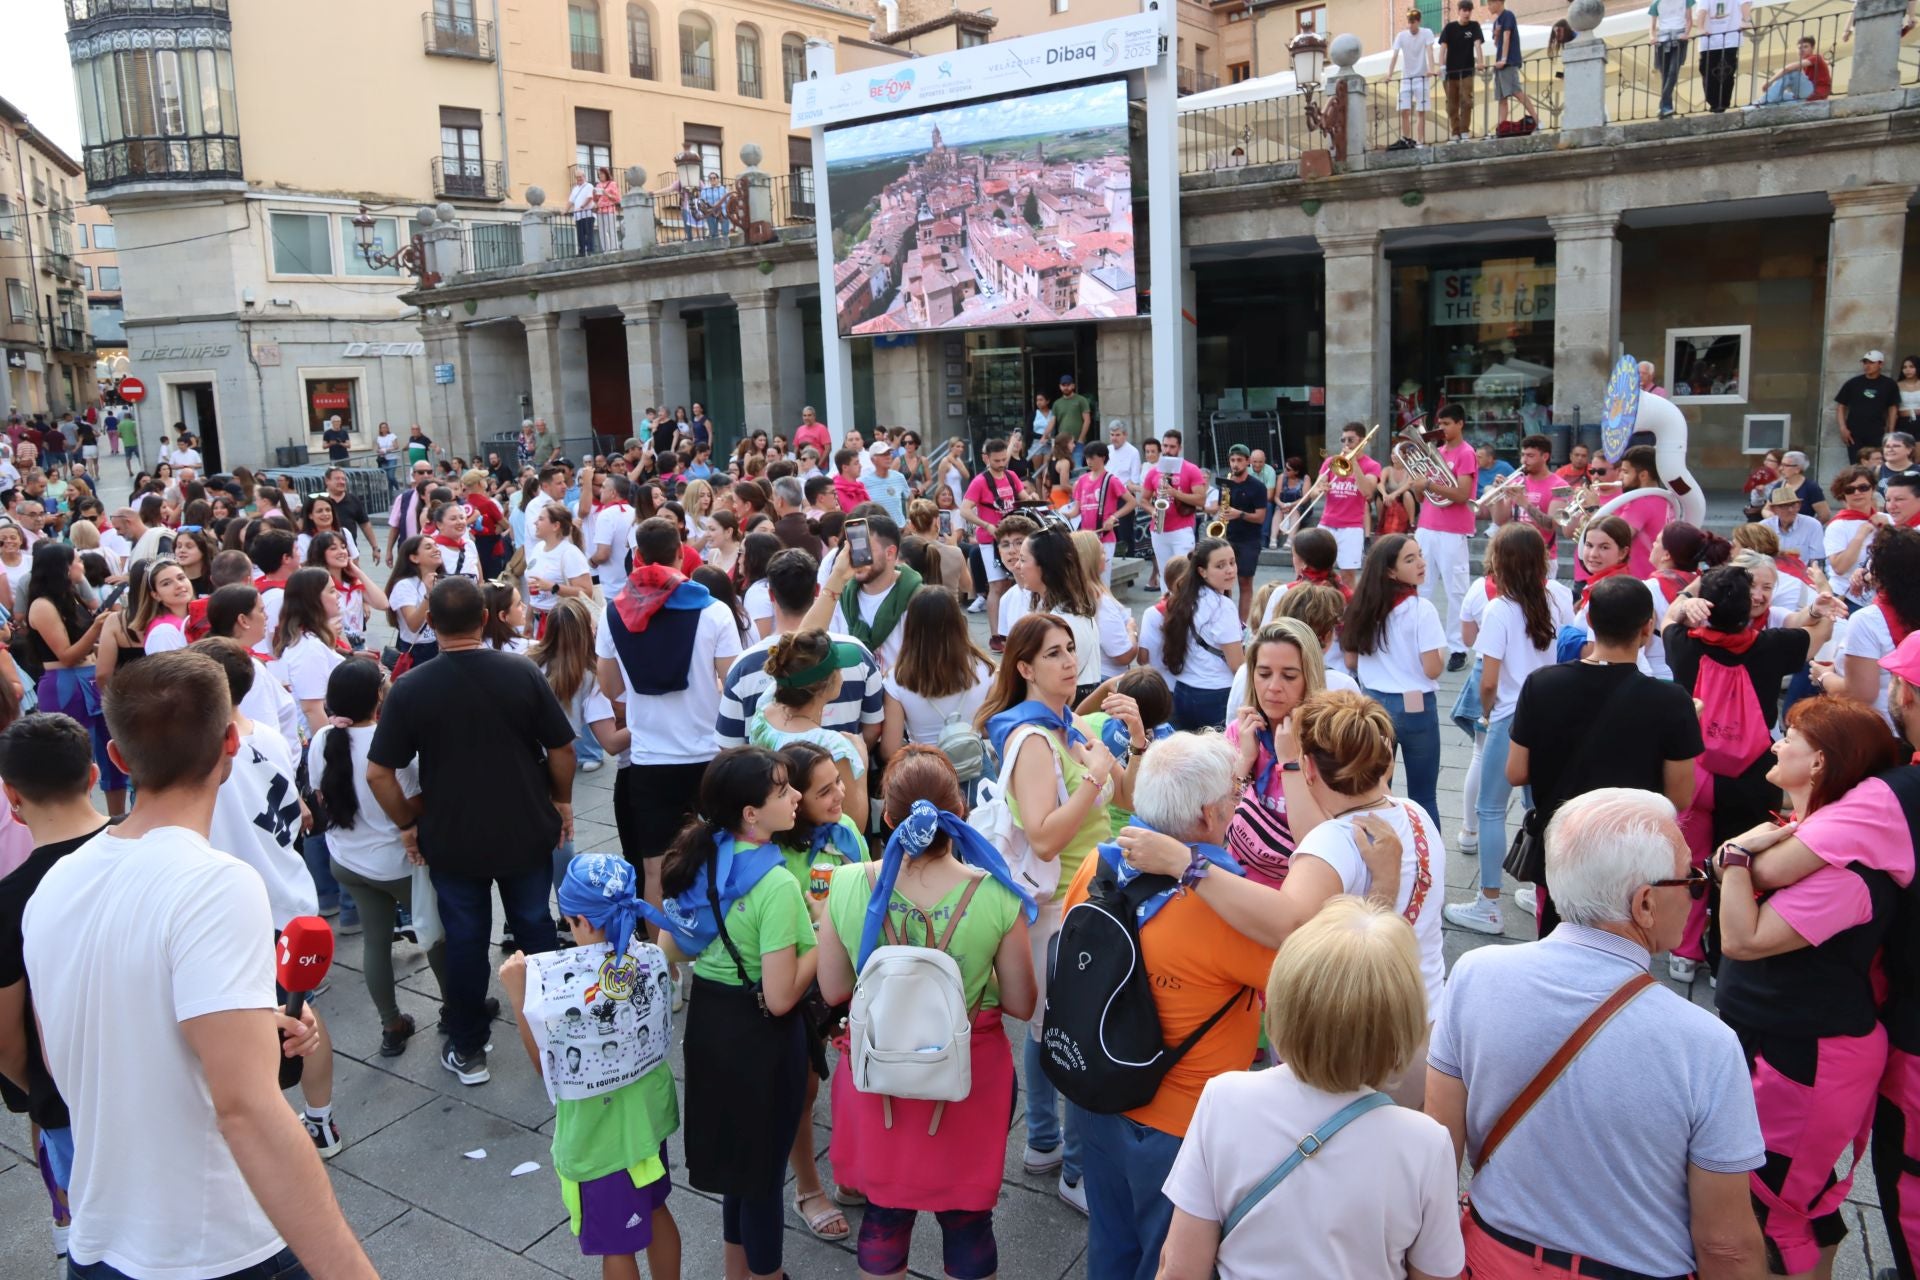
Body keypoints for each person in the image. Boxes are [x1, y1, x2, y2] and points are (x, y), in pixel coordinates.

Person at [22, 651, 376, 1280]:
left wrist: (245, 1029)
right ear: (231, 742)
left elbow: (64, 1055)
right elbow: (247, 1110)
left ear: (118, 758)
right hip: (217, 1245)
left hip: (100, 1240)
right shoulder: (216, 884)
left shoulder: (54, 885)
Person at [1426, 787, 1767, 1279]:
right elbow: (1726, 1246)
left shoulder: (1475, 975)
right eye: (1691, 879)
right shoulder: (1706, 1044)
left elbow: (1439, 1151)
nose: (1697, 892)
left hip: (1489, 1258)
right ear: (1645, 903)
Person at [813, 750, 1037, 1277]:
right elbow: (1022, 1003)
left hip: (880, 1073)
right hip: (969, 1074)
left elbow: (834, 988)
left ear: (889, 817)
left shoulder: (847, 883)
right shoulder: (996, 894)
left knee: (884, 1216)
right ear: (958, 812)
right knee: (969, 1221)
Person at [1158, 897, 1464, 1280]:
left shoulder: (1224, 1099)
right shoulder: (1426, 1145)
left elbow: (1179, 1268)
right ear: (1402, 1033)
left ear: (1282, 1005)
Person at [367, 576, 577, 1086]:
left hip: (452, 834)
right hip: (525, 825)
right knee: (535, 926)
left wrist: (407, 823)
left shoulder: (410, 687)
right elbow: (562, 748)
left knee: (464, 939)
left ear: (430, 622)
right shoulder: (521, 672)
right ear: (484, 618)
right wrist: (562, 799)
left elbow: (378, 773)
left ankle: (468, 1046)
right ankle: (553, 1039)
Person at [976, 613, 1133, 1211]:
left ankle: (1042, 1141)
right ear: (1024, 667)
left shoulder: (1071, 723)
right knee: (1072, 1037)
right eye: (1053, 654)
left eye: (1071, 649)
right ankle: (1074, 1169)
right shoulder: (1034, 740)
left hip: (1089, 905)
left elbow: (1130, 796)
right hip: (1060, 915)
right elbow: (1043, 839)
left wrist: (1134, 739)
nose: (1070, 661)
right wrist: (1093, 779)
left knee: (1051, 1029)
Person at [640, 747, 813, 1280]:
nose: (796, 796)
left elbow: (671, 948)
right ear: (751, 814)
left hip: (711, 1025)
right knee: (763, 1175)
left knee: (740, 1168)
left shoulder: (704, 855)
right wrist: (824, 937)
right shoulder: (776, 883)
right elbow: (781, 996)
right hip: (762, 1035)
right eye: (783, 790)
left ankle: (735, 1272)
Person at [499, 853, 683, 1280]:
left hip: (601, 1140)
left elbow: (548, 1069)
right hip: (647, 1124)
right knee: (656, 1210)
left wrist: (519, 996)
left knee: (616, 1246)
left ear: (580, 920)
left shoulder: (565, 991)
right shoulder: (652, 957)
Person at [193, 637, 342, 1159]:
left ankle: (265, 1130)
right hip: (289, 894)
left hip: (241, 909)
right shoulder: (270, 737)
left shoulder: (203, 757)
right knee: (303, 1016)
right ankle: (322, 1122)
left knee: (256, 1026)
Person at [0, 713, 106, 1266]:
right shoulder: (151, 847)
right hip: (166, 1081)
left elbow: (7, 1044)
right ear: (93, 775)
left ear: (11, 798)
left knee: (100, 1237)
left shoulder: (8, 901)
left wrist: (44, 1085)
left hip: (68, 1104)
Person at [597, 517, 742, 909]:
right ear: (681, 554)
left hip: (649, 758)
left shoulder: (613, 613)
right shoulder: (714, 611)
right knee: (719, 860)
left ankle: (663, 948)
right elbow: (732, 683)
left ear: (637, 558)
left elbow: (610, 688)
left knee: (655, 870)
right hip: (709, 755)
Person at [309, 660, 447, 1060]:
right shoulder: (390, 742)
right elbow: (414, 801)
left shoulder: (322, 738)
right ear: (378, 697)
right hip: (397, 862)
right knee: (435, 934)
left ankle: (391, 1025)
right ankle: (454, 1008)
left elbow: (319, 794)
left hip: (346, 860)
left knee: (375, 942)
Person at [1446, 523, 1574, 937]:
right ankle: (1543, 891)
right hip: (1552, 714)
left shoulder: (1500, 609)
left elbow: (1488, 680)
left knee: (1490, 809)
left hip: (1510, 716)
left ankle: (1488, 903)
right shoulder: (1560, 596)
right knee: (1542, 808)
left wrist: (1486, 714)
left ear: (1499, 562)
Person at [1342, 534, 1446, 823]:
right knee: (1423, 797)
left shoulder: (1362, 606)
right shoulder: (1421, 609)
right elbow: (1433, 669)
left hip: (1373, 704)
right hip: (1415, 706)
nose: (1421, 563)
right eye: (1410, 559)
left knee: (1375, 792)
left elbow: (1351, 661)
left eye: (1420, 555)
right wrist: (1440, 654)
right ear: (1390, 570)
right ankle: (1427, 852)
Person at [1218, 619, 1329, 888]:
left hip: (1297, 892)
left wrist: (1290, 762)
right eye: (1264, 673)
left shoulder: (1328, 743)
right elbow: (1213, 822)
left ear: (1310, 678)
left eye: (1289, 676)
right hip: (1237, 882)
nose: (1274, 687)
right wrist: (1245, 760)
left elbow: (1320, 844)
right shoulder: (1239, 732)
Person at [23, 542, 124, 816]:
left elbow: (85, 647)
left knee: (112, 753)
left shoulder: (71, 597)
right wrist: (97, 627)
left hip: (91, 678)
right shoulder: (42, 605)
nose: (82, 565)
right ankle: (80, 821)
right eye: (77, 560)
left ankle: (115, 818)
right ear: (64, 567)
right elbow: (66, 655)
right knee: (74, 758)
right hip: (65, 683)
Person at [746, 629, 872, 832]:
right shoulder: (834, 747)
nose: (842, 673)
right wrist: (862, 764)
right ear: (825, 684)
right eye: (838, 668)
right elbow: (853, 827)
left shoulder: (764, 708)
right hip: (817, 848)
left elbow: (793, 662)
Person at [880, 586, 994, 766]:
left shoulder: (897, 679)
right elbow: (990, 728)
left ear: (911, 627)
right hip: (976, 764)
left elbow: (890, 749)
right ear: (959, 623)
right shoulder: (986, 668)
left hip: (927, 770)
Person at [1827, 526, 1920, 729]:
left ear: (1879, 572)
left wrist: (1824, 676)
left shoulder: (1867, 620)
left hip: (1887, 731)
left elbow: (1861, 693)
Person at [1410, 404, 1478, 668]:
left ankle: (1458, 648)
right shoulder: (1435, 452)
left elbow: (1462, 494)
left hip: (1453, 530)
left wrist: (1428, 483)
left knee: (1456, 591)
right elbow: (1422, 497)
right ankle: (1419, 642)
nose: (1442, 429)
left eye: (1447, 423)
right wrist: (1418, 484)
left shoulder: (1466, 453)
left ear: (1460, 424)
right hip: (1426, 526)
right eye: (1439, 424)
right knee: (1420, 587)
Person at [1160, 537, 1245, 730]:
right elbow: (1237, 665)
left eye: (1232, 562)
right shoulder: (1223, 606)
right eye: (1220, 565)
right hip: (1216, 694)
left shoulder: (1185, 597)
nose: (1230, 570)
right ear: (1202, 571)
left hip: (1183, 690)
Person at [959, 438, 1027, 651]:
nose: (1001, 464)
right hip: (990, 540)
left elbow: (1024, 498)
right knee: (997, 585)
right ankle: (996, 636)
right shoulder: (980, 481)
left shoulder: (1011, 476)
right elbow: (964, 510)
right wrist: (986, 525)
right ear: (986, 459)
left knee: (1015, 583)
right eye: (996, 460)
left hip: (1012, 537)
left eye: (1004, 459)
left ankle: (1014, 631)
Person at [270, 568, 347, 733]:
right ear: (313, 600)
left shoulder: (307, 640)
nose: (338, 596)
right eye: (332, 591)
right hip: (310, 738)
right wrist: (325, 746)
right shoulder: (308, 647)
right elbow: (312, 709)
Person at [1143, 431, 1209, 594]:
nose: (1167, 450)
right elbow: (1143, 500)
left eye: (1172, 447)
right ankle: (1167, 605)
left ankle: (1184, 605)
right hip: (1159, 528)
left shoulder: (1191, 469)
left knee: (1184, 572)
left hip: (1182, 529)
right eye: (1165, 446)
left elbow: (1201, 500)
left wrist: (1175, 493)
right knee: (1164, 572)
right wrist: (1152, 510)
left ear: (1179, 448)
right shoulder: (1153, 471)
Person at [1218, 444, 1268, 618]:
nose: (1235, 464)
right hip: (1227, 538)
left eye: (1239, 460)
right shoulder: (1226, 484)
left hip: (1249, 540)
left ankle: (1243, 625)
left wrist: (1239, 514)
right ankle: (1226, 619)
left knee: (1245, 582)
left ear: (1248, 462)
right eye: (1232, 460)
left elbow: (1260, 517)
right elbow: (1221, 508)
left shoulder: (1258, 487)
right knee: (1224, 583)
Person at [1386, 7, 1439, 149]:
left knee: (1421, 111)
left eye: (1413, 22)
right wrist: (1389, 74)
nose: (1410, 25)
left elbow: (1430, 52)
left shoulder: (1427, 33)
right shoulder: (1401, 36)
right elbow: (1394, 55)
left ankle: (1420, 141)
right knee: (1404, 110)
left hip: (1421, 78)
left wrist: (1431, 69)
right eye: (1409, 22)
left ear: (1418, 22)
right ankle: (1407, 139)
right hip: (1406, 78)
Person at [1837, 349, 1902, 464]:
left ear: (1880, 364)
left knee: (1877, 463)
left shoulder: (1889, 384)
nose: (1867, 366)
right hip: (1854, 432)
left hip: (1877, 431)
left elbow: (1892, 408)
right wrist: (1843, 428)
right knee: (1856, 463)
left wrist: (1891, 431)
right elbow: (1841, 406)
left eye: (1871, 363)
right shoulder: (1853, 383)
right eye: (1865, 362)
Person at [1438, 0, 1485, 139]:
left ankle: (1464, 131)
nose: (1467, 13)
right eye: (1464, 10)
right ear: (1458, 11)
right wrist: (1442, 67)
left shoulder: (1474, 26)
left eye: (1469, 10)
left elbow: (1477, 45)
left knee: (1467, 101)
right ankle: (1455, 132)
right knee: (1451, 105)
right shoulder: (1449, 28)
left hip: (1467, 71)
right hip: (1450, 73)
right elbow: (1442, 49)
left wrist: (1480, 62)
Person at [1486, 0, 1536, 128]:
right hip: (1501, 64)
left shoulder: (1508, 15)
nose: (1488, 7)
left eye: (1490, 3)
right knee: (1502, 98)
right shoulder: (1496, 22)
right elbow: (1497, 44)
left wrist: (1504, 59)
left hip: (1509, 62)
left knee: (1516, 92)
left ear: (1498, 2)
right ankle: (1502, 127)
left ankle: (1537, 120)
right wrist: (1496, 35)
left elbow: (1507, 37)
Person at [1695, 0, 1748, 111]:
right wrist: (1700, 28)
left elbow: (1744, 4)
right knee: (1708, 72)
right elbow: (1701, 10)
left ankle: (1723, 103)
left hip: (1730, 39)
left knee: (1727, 72)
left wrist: (1745, 20)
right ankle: (1715, 103)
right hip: (1709, 41)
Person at [1758, 33, 1831, 103]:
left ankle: (1762, 102)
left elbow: (1788, 69)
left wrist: (1770, 81)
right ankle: (1759, 104)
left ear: (1812, 48)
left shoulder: (1816, 58)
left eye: (1805, 47)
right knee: (1779, 97)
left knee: (1792, 73)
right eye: (1799, 48)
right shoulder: (1805, 65)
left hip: (1816, 93)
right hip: (1808, 97)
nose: (1802, 50)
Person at [1650, 0, 1691, 116]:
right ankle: (1667, 107)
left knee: (1673, 72)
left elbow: (1689, 20)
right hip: (1662, 41)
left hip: (1679, 39)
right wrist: (1652, 37)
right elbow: (1652, 26)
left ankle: (1663, 105)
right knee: (1665, 74)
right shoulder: (1656, 3)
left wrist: (1686, 33)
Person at [568, 166, 598, 255]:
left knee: (589, 233)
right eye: (577, 177)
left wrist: (582, 207)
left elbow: (590, 197)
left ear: (584, 177)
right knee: (580, 234)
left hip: (588, 214)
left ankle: (590, 251)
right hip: (578, 215)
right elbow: (570, 201)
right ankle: (582, 252)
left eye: (580, 177)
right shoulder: (575, 189)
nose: (579, 179)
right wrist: (565, 210)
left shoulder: (589, 186)